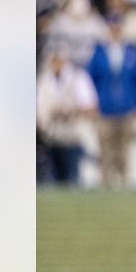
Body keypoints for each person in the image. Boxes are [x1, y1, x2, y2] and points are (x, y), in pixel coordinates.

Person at [86, 15, 136, 190]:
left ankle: (125, 184)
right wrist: (94, 103)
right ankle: (106, 185)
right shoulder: (99, 52)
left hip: (126, 107)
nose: (115, 30)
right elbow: (91, 80)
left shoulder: (131, 52)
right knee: (105, 150)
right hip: (105, 108)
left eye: (118, 27)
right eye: (113, 27)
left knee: (124, 150)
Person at [37, 50, 98, 186]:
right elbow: (39, 106)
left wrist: (69, 111)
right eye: (54, 60)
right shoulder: (44, 79)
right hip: (50, 134)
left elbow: (90, 106)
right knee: (54, 178)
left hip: (72, 134)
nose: (56, 64)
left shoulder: (77, 77)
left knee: (72, 176)